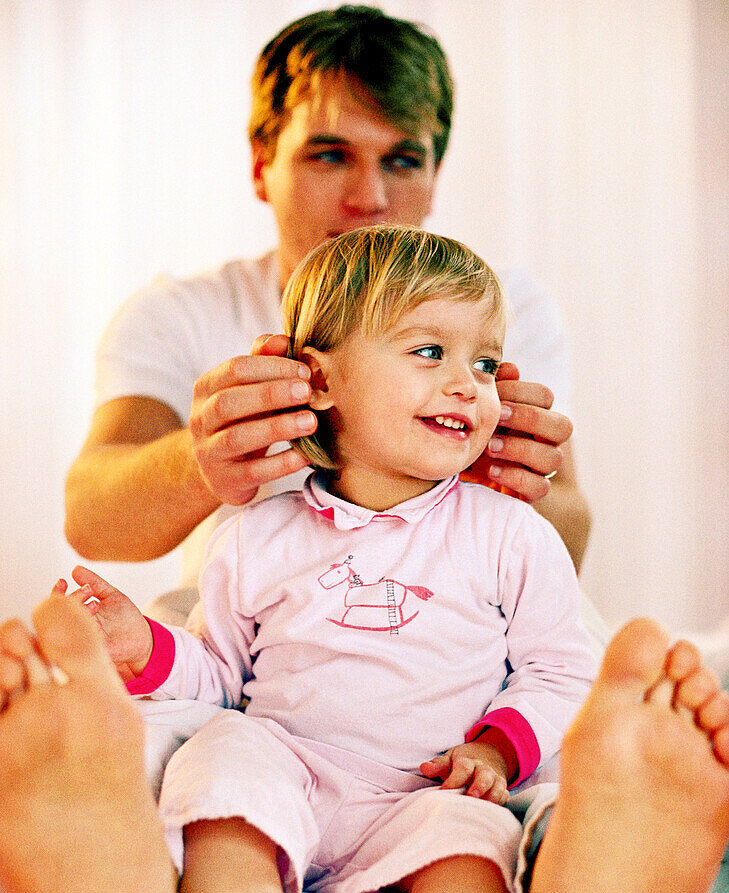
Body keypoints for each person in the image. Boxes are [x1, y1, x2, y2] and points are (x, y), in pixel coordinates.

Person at [57, 225, 597, 893]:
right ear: (320, 379)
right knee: (223, 763)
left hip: (427, 789)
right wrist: (145, 650)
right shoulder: (256, 533)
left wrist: (495, 754)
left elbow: (559, 673)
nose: (468, 382)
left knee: (477, 857)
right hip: (293, 767)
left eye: (487, 363)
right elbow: (222, 676)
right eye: (429, 351)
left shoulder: (511, 534)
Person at [63, 5, 590, 633]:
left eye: (402, 160)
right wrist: (202, 459)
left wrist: (510, 481)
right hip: (253, 637)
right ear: (263, 164)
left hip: (460, 632)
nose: (370, 199)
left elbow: (571, 537)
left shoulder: (503, 308)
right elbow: (90, 520)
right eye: (330, 155)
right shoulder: (181, 313)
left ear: (434, 174)